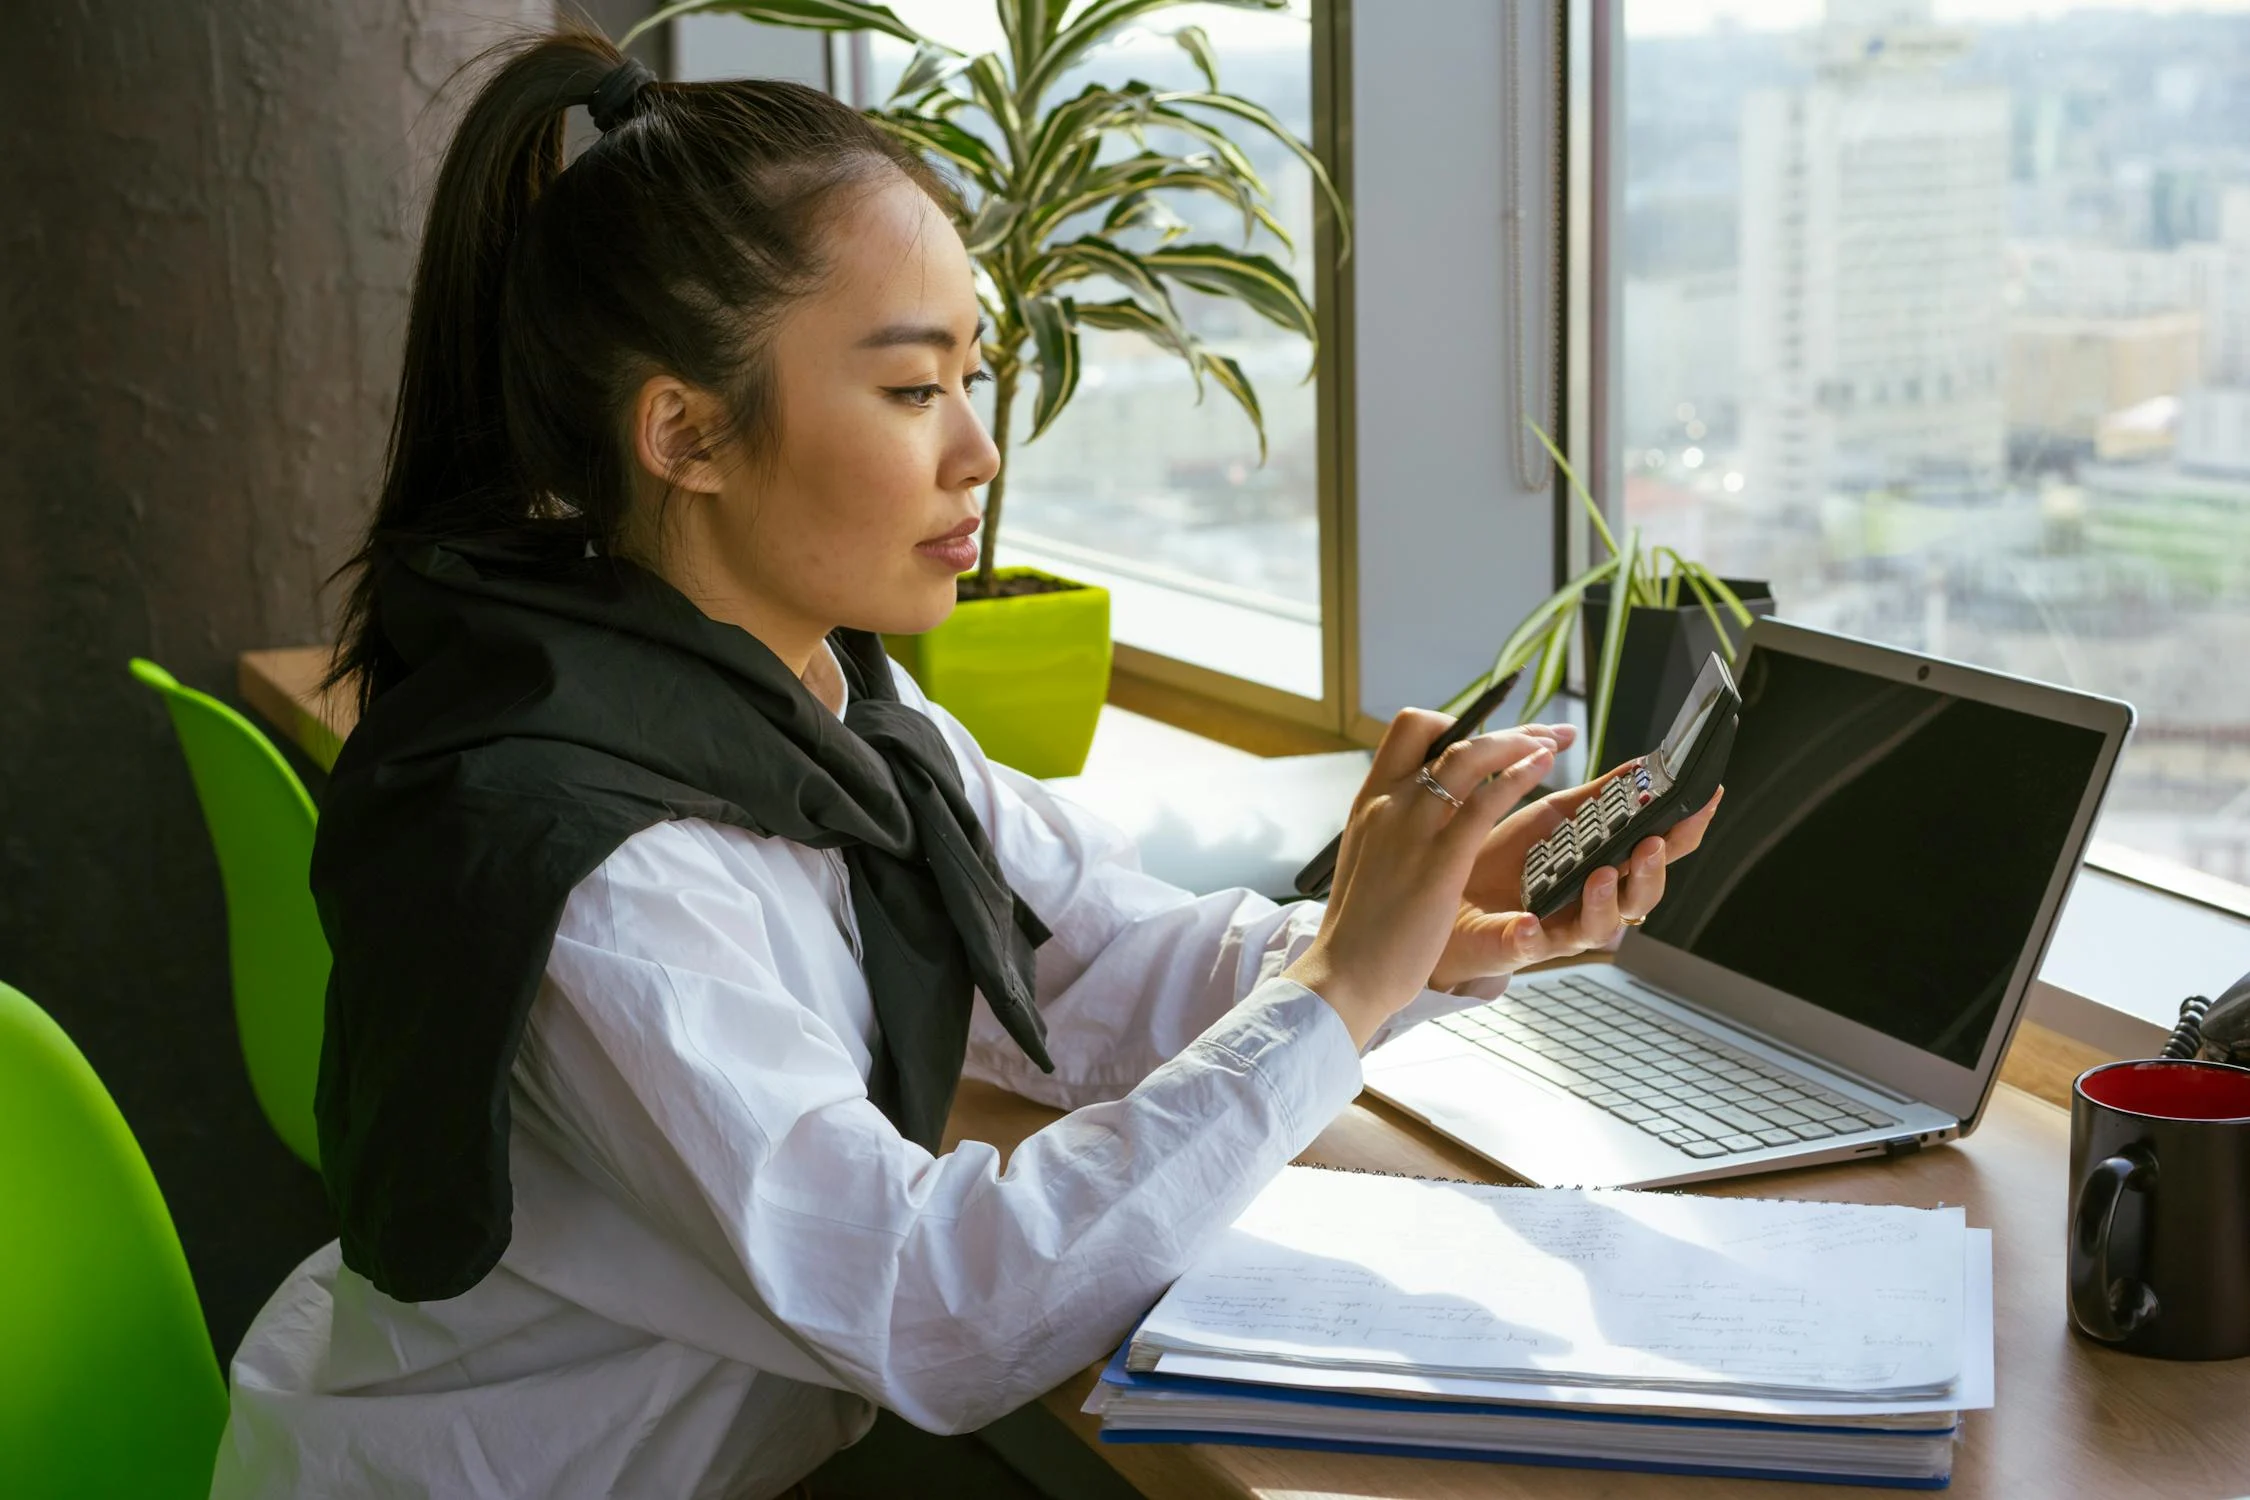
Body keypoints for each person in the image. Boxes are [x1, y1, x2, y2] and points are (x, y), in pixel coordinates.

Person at [209, 25, 1719, 1500]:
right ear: (685, 431)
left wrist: (1415, 933)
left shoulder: (824, 707)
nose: (978, 451)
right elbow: (938, 1311)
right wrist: (1335, 989)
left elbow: (1091, 962)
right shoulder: (609, 869)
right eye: (911, 387)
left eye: (970, 376)